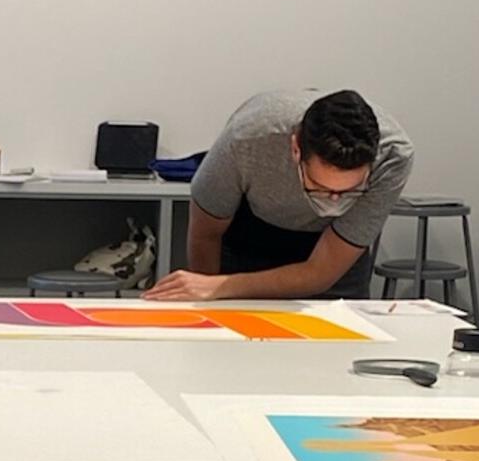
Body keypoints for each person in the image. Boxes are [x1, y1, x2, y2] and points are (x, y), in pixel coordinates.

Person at [147, 89, 412, 302]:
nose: (334, 200)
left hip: (332, 254)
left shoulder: (393, 157)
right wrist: (208, 293)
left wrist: (219, 287)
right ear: (296, 149)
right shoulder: (248, 138)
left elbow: (320, 272)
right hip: (249, 237)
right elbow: (206, 233)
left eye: (349, 192)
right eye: (319, 187)